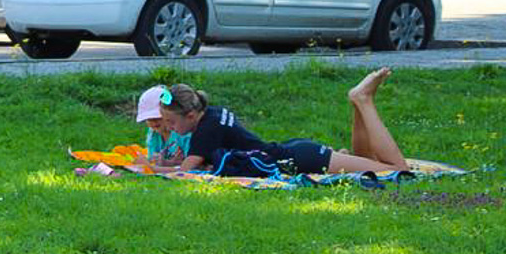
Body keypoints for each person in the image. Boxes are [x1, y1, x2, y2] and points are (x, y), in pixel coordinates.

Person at [157, 68, 409, 174]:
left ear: (190, 115)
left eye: (170, 122)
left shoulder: (205, 130)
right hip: (294, 150)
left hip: (300, 159)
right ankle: (358, 102)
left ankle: (363, 100)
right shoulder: (212, 113)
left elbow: (185, 172)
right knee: (367, 160)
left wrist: (148, 168)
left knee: (397, 170)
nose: (168, 127)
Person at [135, 85, 191, 166]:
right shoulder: (153, 134)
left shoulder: (182, 132)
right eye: (149, 119)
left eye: (157, 117)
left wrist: (169, 163)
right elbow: (152, 158)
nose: (153, 122)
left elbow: (190, 164)